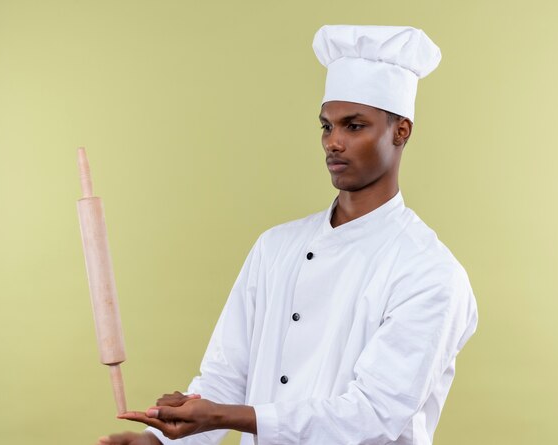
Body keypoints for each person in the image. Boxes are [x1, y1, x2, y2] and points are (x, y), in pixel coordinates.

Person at [98, 25, 478, 445]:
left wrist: (224, 415)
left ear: (401, 130)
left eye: (353, 126)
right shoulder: (276, 247)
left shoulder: (430, 272)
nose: (333, 143)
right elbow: (227, 377)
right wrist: (163, 442)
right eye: (326, 126)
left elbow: (372, 415)